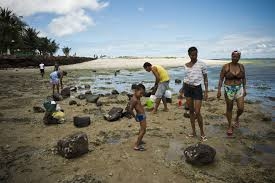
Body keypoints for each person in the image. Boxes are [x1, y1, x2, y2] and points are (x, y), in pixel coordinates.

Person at [217, 50, 247, 136]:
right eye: (234, 56)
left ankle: (237, 117)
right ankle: (230, 126)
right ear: (231, 56)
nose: (235, 58)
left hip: (239, 88)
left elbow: (244, 78)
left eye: (237, 57)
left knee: (241, 108)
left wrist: (245, 89)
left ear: (239, 57)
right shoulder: (226, 66)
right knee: (229, 108)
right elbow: (221, 79)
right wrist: (219, 90)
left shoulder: (241, 67)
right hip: (228, 88)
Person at [183, 47, 208, 141]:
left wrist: (206, 91)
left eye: (196, 54)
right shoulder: (185, 65)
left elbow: (205, 78)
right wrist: (182, 91)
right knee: (191, 112)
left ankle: (202, 132)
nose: (194, 56)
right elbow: (185, 79)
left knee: (197, 112)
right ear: (189, 55)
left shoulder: (202, 64)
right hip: (187, 89)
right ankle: (193, 132)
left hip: (197, 89)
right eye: (192, 55)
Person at [128, 84, 147, 151]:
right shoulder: (134, 99)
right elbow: (130, 109)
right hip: (141, 116)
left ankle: (140, 140)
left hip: (142, 115)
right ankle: (136, 145)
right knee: (143, 130)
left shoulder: (137, 98)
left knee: (141, 129)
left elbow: (138, 106)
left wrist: (145, 105)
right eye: (141, 93)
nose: (141, 95)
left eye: (142, 94)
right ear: (136, 90)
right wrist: (135, 116)